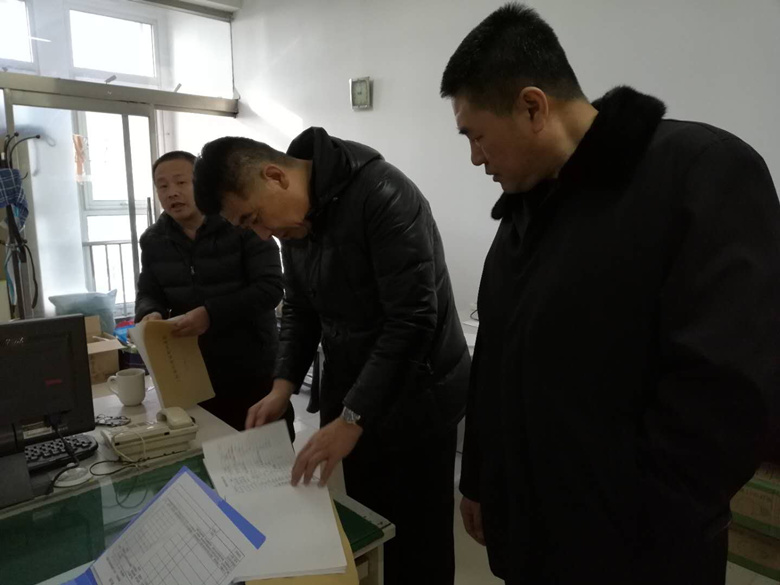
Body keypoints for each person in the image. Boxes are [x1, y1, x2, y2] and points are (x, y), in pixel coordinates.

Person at [440, 4, 780, 585]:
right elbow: (495, 353)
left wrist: (638, 523)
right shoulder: (524, 210)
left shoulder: (699, 172)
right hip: (533, 539)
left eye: (476, 136)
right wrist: (480, 479)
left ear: (532, 107)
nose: (475, 157)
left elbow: (729, 391)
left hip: (636, 553)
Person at [192, 129, 469, 585]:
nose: (262, 234)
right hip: (357, 399)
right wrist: (282, 387)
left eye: (255, 218)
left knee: (419, 545)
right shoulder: (296, 221)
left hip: (419, 399)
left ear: (275, 176)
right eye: (248, 227)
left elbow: (413, 321)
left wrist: (352, 417)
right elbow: (301, 308)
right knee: (371, 525)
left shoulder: (383, 194)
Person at [135, 151, 290, 433]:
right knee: (207, 447)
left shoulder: (242, 223)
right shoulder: (154, 240)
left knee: (264, 449)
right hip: (192, 370)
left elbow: (270, 288)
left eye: (181, 182)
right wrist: (150, 312)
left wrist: (211, 313)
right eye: (162, 186)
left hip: (252, 366)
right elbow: (149, 291)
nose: (172, 193)